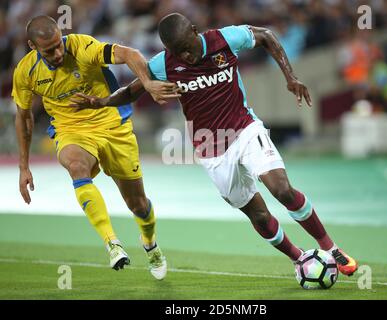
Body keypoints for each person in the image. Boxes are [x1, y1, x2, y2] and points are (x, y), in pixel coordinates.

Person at [71, 13, 358, 276]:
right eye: (177, 51)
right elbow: (132, 91)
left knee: (281, 189)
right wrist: (101, 102)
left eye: (186, 46)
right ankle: (299, 259)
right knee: (257, 213)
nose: (185, 55)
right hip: (211, 150)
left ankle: (331, 248)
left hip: (245, 129)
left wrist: (290, 76)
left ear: (195, 31)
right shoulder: (164, 64)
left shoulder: (224, 39)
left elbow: (267, 36)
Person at [12, 15, 180, 279]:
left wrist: (147, 83)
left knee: (137, 204)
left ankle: (150, 243)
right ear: (33, 46)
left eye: (59, 44)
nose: (58, 53)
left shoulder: (81, 46)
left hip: (113, 126)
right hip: (71, 131)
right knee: (77, 167)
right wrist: (24, 166)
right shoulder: (26, 72)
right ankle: (112, 243)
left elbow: (129, 53)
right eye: (49, 50)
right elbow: (23, 116)